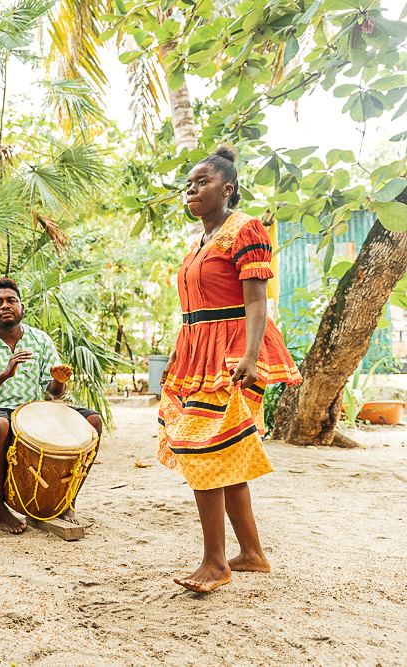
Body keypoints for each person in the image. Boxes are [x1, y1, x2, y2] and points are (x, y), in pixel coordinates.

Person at [159, 145, 301, 593]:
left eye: (201, 182)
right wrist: (177, 358)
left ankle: (215, 563)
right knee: (224, 454)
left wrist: (251, 356)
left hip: (234, 351)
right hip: (197, 352)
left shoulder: (246, 229)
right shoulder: (200, 240)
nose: (192, 190)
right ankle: (253, 555)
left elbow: (257, 300)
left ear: (228, 188)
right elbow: (195, 309)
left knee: (203, 450)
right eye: (189, 184)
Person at [0, 278, 103, 535]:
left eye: (11, 300)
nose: (5, 306)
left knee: (92, 422)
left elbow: (54, 392)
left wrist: (59, 380)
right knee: (0, 425)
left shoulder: (40, 339)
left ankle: (67, 500)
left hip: (34, 412)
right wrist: (5, 373)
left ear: (22, 307)